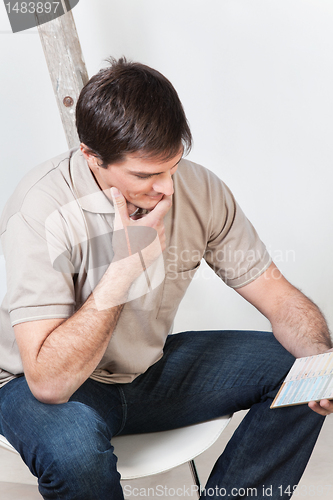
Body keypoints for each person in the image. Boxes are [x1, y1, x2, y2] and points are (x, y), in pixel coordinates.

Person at [0, 57, 332, 500]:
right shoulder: (41, 210)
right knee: (74, 454)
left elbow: (278, 295)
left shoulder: (199, 190)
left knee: (305, 370)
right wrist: (122, 272)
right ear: (92, 157)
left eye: (172, 166)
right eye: (146, 175)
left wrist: (320, 360)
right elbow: (49, 382)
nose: (167, 189)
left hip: (144, 374)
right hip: (40, 385)